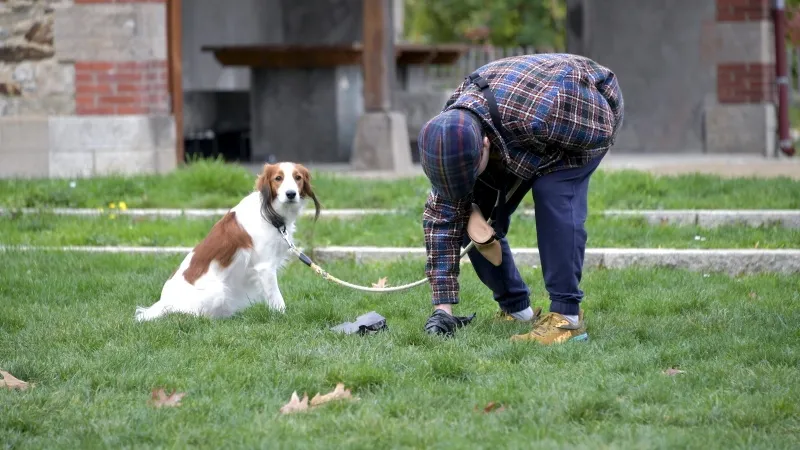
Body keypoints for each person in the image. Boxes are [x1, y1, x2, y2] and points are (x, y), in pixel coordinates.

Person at [418, 53, 624, 343]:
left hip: (585, 111)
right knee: (467, 218)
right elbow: (442, 220)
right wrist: (443, 310)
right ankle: (518, 310)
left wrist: (527, 172)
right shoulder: (450, 131)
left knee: (552, 193)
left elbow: (599, 131)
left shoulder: (544, 115)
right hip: (514, 124)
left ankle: (567, 318)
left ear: (485, 145)